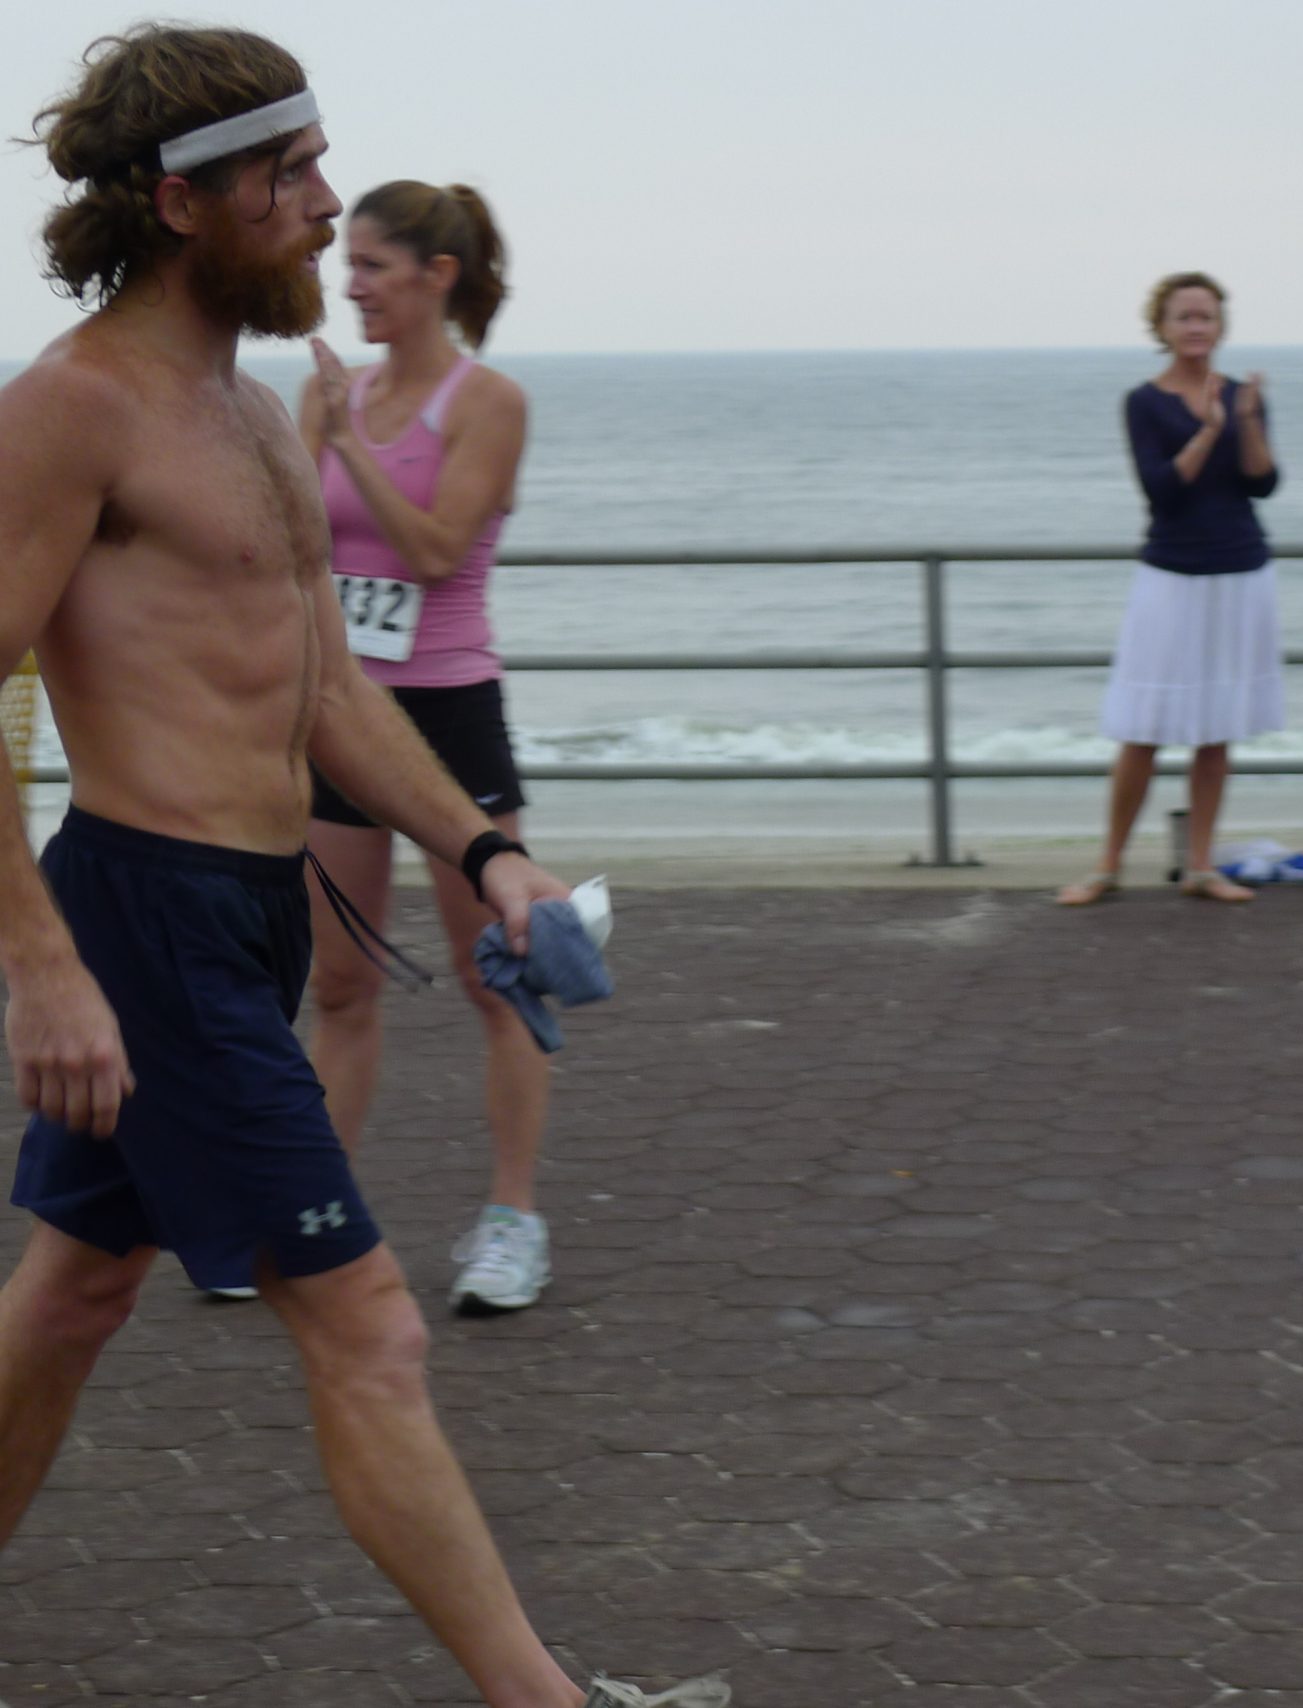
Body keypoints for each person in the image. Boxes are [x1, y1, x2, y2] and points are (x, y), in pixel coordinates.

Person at [0, 28, 723, 1706]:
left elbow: (332, 692)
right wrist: (40, 962)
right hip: (149, 918)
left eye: (324, 167)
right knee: (373, 1328)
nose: (327, 209)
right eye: (290, 177)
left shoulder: (257, 410)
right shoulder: (69, 411)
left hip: (248, 911)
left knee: (73, 1295)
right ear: (183, 204)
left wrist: (491, 846)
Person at [297, 180, 548, 1315]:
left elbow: (442, 551)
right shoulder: (329, 392)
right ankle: (316, 1217)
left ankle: (511, 1221)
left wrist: (349, 436)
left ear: (437, 275)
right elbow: (298, 547)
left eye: (373, 266)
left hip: (447, 716)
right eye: (344, 264)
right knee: (339, 986)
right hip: (339, 716)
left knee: (493, 980)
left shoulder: (485, 399)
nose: (350, 284)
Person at [1057, 272, 1283, 906]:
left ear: (1221, 326)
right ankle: (1106, 866)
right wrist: (1209, 430)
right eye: (1183, 316)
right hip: (1172, 575)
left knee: (1217, 729)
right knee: (1144, 727)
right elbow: (1162, 489)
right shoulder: (1144, 402)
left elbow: (1263, 484)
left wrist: (1245, 422)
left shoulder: (1244, 396)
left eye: (1205, 316)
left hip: (1240, 570)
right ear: (1161, 328)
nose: (1195, 327)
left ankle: (1202, 867)